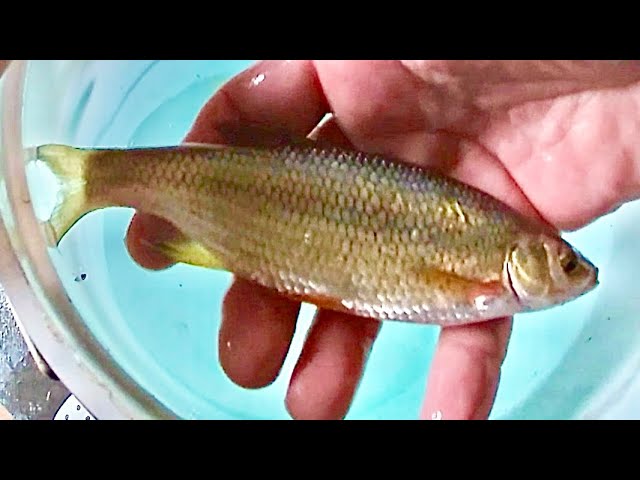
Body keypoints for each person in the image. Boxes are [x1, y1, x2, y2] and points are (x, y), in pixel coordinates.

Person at [5, 60, 640, 420]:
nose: (575, 274)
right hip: (279, 208)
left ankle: (94, 174)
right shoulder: (490, 257)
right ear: (518, 260)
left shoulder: (495, 237)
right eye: (562, 263)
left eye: (566, 264)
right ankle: (94, 175)